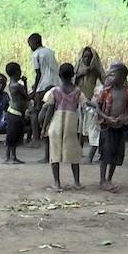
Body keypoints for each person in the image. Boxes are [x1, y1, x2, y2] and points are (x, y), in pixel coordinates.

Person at [40, 63, 85, 191]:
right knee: (74, 152)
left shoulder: (54, 91)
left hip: (56, 123)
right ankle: (77, 182)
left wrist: (44, 127)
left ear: (59, 75)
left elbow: (49, 110)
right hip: (71, 123)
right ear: (73, 75)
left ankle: (57, 183)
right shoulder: (77, 92)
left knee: (54, 153)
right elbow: (83, 106)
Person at [95, 63, 128, 192]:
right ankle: (102, 180)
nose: (110, 77)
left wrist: (125, 117)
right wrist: (107, 118)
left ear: (122, 76)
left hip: (120, 127)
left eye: (113, 75)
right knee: (106, 153)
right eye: (109, 75)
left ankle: (109, 179)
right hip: (107, 127)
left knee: (116, 154)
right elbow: (98, 108)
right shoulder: (106, 91)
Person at [28, 33, 59, 160]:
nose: (30, 47)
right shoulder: (50, 52)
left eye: (29, 44)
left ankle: (36, 139)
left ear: (34, 43)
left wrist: (35, 89)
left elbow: (38, 74)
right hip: (56, 84)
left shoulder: (36, 54)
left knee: (35, 112)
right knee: (52, 113)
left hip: (43, 86)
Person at [4, 62, 28, 165]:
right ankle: (12, 157)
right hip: (16, 113)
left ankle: (9, 157)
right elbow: (26, 96)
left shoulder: (11, 85)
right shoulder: (17, 86)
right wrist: (25, 83)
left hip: (12, 112)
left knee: (11, 136)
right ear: (17, 72)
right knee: (13, 136)